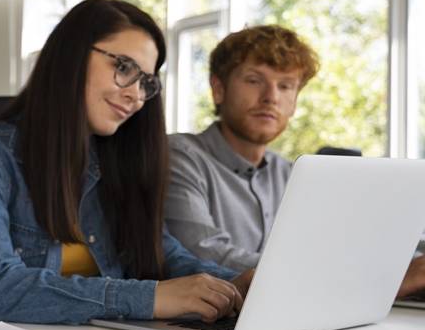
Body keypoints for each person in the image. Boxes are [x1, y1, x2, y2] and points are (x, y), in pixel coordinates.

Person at [0, 0, 253, 328]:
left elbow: (165, 256)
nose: (136, 95)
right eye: (123, 67)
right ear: (71, 57)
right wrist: (150, 297)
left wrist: (236, 284)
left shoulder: (116, 162)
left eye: (146, 82)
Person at [164, 25, 425, 297]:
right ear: (218, 89)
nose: (271, 97)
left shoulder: (292, 173)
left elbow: (349, 241)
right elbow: (203, 252)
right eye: (254, 80)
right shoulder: (180, 156)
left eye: (286, 86)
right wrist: (365, 278)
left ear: (295, 102)